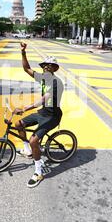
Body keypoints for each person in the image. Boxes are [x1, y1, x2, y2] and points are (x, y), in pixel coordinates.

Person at [13, 42, 64, 188]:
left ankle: (38, 172)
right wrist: (23, 52)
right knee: (18, 124)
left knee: (34, 140)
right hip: (43, 113)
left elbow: (43, 99)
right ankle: (28, 150)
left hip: (52, 116)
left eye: (49, 65)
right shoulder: (42, 78)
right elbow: (26, 68)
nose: (46, 67)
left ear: (55, 68)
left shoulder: (56, 83)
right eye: (44, 65)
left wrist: (25, 108)